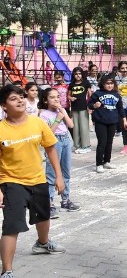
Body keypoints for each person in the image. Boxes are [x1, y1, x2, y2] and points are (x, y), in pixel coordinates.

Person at [0, 85, 66, 278]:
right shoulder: (1, 129)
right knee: (12, 225)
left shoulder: (37, 123)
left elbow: (51, 148)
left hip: (38, 179)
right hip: (11, 182)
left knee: (43, 217)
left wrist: (59, 176)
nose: (20, 100)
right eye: (14, 99)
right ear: (4, 106)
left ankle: (42, 244)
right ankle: (7, 271)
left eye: (21, 97)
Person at [39, 87, 78, 219]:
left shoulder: (61, 110)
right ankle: (49, 203)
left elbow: (71, 125)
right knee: (51, 173)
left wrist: (63, 112)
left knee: (66, 171)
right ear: (45, 100)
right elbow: (48, 133)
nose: (56, 99)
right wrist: (57, 119)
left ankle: (65, 200)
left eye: (57, 97)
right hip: (54, 142)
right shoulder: (43, 114)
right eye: (52, 97)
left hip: (66, 139)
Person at [88, 74, 127, 173]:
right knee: (102, 142)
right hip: (100, 121)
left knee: (109, 142)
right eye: (107, 83)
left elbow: (120, 108)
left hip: (112, 121)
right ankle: (99, 164)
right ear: (103, 84)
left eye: (111, 83)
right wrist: (94, 105)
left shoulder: (116, 95)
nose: (109, 85)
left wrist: (124, 120)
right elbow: (89, 104)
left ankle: (107, 161)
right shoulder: (97, 94)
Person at [68, 66, 92, 154]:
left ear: (82, 74)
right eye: (76, 74)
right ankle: (77, 145)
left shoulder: (86, 83)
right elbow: (68, 95)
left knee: (84, 127)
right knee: (76, 127)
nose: (78, 75)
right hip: (74, 108)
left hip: (83, 107)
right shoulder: (72, 84)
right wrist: (71, 98)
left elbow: (90, 95)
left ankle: (85, 145)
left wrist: (90, 106)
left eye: (79, 74)